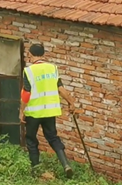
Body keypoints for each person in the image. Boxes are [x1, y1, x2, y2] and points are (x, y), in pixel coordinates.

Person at [20, 43, 79, 178]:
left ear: (30, 55)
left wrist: (21, 111)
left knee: (31, 139)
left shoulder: (29, 71)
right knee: (53, 137)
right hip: (50, 112)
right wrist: (71, 103)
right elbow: (61, 89)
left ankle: (36, 168)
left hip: (34, 113)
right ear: (43, 54)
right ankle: (65, 165)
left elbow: (26, 94)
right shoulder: (52, 68)